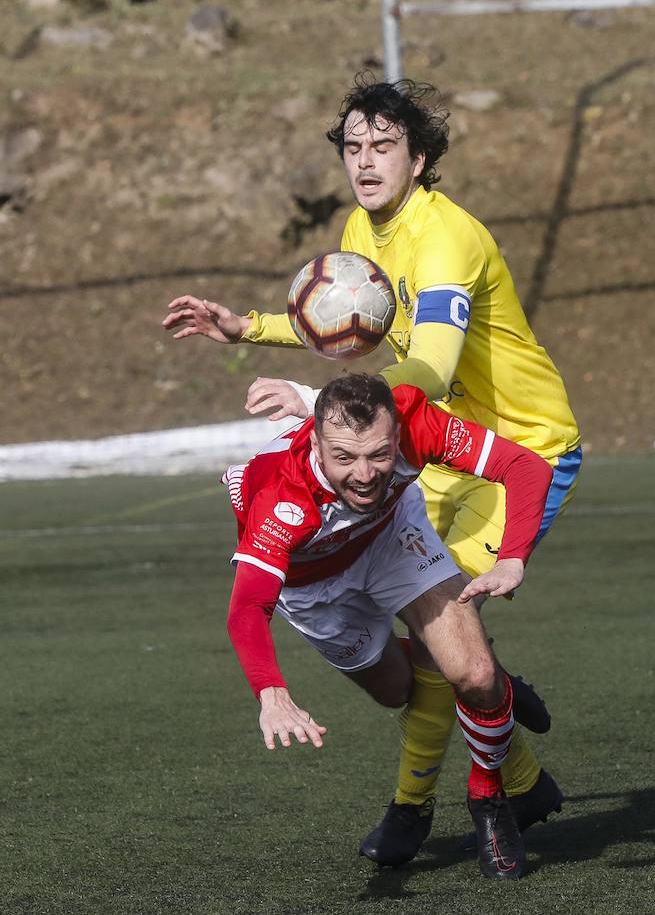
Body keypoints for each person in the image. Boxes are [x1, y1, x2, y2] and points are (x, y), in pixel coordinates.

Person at [163, 75, 582, 867]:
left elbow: (427, 363)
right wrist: (245, 326)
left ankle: (442, 806)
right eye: (353, 146)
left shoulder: (446, 237)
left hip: (516, 449)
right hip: (417, 448)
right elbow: (346, 324)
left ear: (419, 159)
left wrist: (326, 408)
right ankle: (518, 773)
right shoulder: (361, 226)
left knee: (438, 652)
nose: (365, 161)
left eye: (384, 146)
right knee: (449, 656)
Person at [222, 373, 553, 879]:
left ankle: (488, 799)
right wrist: (270, 690)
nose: (364, 474)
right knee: (399, 690)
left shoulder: (414, 422)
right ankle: (491, 682)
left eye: (379, 455)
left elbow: (522, 464)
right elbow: (247, 607)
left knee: (474, 676)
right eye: (344, 459)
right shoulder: (281, 497)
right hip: (313, 587)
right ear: (313, 440)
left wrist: (513, 558)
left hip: (393, 536)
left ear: (395, 433)